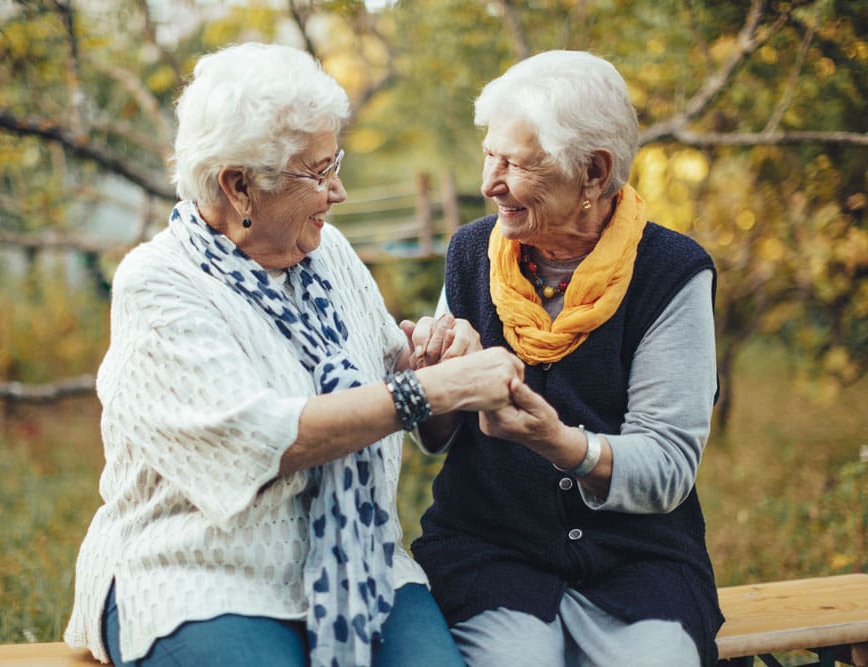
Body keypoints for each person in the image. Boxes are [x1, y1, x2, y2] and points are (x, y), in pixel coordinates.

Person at [62, 42, 523, 667]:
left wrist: (440, 362)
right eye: (317, 171)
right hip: (198, 568)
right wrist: (432, 391)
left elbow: (407, 403)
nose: (338, 191)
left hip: (362, 557)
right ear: (239, 186)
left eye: (335, 162)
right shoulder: (159, 282)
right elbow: (256, 441)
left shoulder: (327, 254)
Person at [408, 50, 725, 666]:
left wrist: (562, 443)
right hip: (490, 553)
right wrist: (440, 382)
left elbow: (667, 465)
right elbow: (435, 439)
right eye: (489, 155)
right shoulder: (473, 252)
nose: (488, 182)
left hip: (639, 563)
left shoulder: (671, 273)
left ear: (593, 173)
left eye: (515, 164)